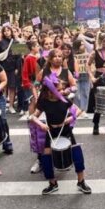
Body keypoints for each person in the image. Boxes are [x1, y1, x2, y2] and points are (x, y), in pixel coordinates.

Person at [28, 48, 90, 195]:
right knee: (46, 156)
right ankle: (52, 183)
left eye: (59, 56)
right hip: (50, 131)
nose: (59, 91)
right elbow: (32, 116)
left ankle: (81, 181)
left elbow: (78, 110)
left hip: (66, 130)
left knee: (77, 152)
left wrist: (69, 119)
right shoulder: (44, 101)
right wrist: (41, 124)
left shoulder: (64, 99)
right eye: (56, 89)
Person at [86, 32, 105, 135]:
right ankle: (96, 124)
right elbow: (88, 65)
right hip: (99, 79)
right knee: (99, 102)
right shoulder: (95, 52)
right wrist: (92, 77)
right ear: (103, 41)